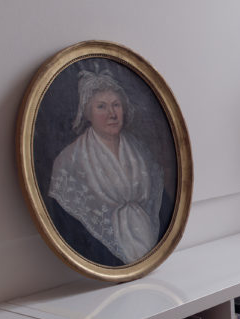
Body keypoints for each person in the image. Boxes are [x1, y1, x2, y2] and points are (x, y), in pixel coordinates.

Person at [47, 65, 169, 266]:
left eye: (116, 105)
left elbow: (161, 204)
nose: (112, 114)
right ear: (87, 113)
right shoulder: (68, 161)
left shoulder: (140, 152)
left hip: (150, 253)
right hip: (101, 257)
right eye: (101, 106)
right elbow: (69, 227)